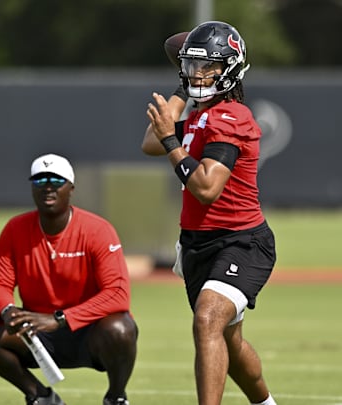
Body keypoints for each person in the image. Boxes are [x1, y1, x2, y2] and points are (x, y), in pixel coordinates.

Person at [142, 21, 278, 405]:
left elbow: (205, 187)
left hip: (241, 242)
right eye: (192, 67)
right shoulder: (200, 113)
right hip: (197, 245)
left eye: (207, 68)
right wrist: (183, 85)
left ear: (230, 70)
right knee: (229, 344)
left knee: (206, 320)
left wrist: (172, 139)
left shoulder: (232, 116)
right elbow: (150, 141)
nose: (198, 75)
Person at [0, 153, 138, 405]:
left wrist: (61, 319)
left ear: (71, 188)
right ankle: (40, 396)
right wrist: (7, 311)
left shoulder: (98, 229)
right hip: (34, 333)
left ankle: (116, 397)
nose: (47, 186)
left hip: (87, 332)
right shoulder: (16, 229)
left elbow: (117, 294)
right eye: (39, 180)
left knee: (121, 329)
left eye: (57, 180)